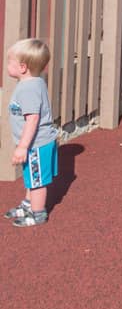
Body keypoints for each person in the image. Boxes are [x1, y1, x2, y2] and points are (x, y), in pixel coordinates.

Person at [6, 37, 59, 228]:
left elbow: (32, 119)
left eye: (9, 61)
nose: (6, 65)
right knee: (32, 176)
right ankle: (29, 205)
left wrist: (22, 146)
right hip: (37, 143)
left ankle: (38, 214)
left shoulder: (27, 89)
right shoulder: (34, 82)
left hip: (36, 144)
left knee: (37, 182)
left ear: (22, 67)